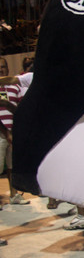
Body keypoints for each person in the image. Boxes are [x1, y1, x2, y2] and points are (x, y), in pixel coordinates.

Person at [0, 58, 30, 205]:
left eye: (3, 67)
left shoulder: (15, 87)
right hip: (1, 133)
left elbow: (20, 108)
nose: (1, 69)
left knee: (12, 166)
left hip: (14, 132)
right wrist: (5, 133)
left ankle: (14, 195)